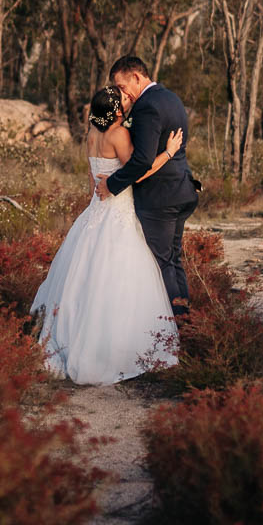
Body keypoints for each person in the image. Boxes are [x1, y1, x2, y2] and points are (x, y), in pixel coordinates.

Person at [29, 84, 184, 385]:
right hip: (117, 212)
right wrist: (168, 152)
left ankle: (74, 341)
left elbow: (92, 180)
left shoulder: (91, 134)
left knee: (84, 280)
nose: (127, 102)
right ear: (115, 110)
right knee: (120, 279)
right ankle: (116, 349)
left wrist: (98, 199)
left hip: (94, 213)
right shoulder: (118, 135)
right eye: (123, 100)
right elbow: (138, 171)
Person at [96, 55, 199, 316]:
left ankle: (176, 326)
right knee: (173, 259)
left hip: (159, 198)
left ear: (137, 77)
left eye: (121, 86)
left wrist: (112, 184)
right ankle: (186, 322)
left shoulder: (147, 106)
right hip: (181, 190)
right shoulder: (170, 98)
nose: (122, 93)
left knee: (161, 263)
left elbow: (141, 160)